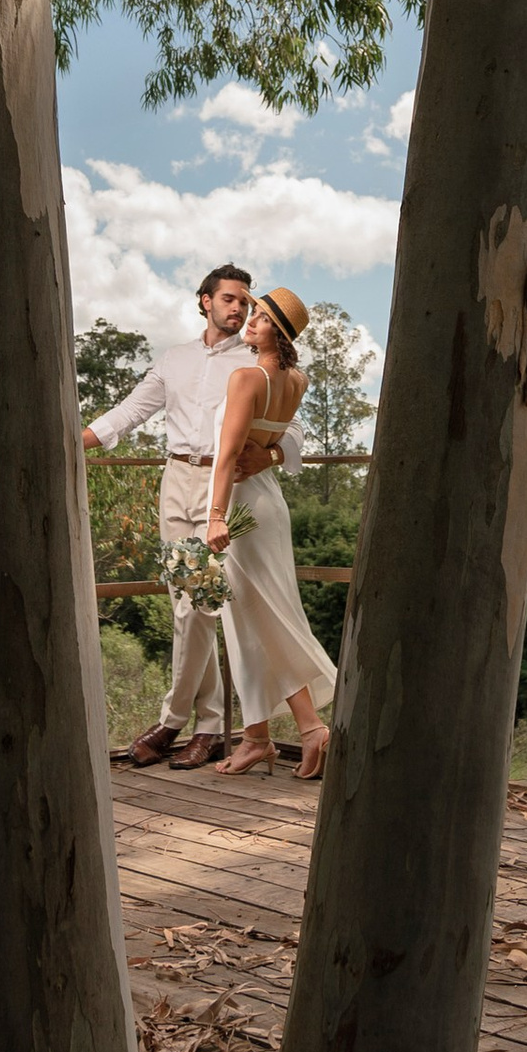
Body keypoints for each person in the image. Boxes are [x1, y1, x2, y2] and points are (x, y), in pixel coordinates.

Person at [82, 263, 301, 768]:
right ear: (205, 300)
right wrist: (74, 440)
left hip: (221, 489)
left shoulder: (256, 362)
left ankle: (174, 722)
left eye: (246, 302)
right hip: (175, 484)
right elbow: (129, 412)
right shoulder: (175, 360)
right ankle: (209, 726)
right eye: (229, 299)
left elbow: (293, 431)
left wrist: (267, 456)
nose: (239, 308)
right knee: (187, 601)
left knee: (197, 606)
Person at [204, 287, 336, 783]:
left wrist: (215, 517)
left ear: (276, 331)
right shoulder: (295, 379)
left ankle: (309, 728)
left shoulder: (246, 377)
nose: (250, 321)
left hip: (240, 505)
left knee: (263, 619)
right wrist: (274, 455)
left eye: (260, 316)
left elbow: (225, 456)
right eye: (253, 313)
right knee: (251, 619)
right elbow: (282, 438)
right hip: (269, 502)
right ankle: (257, 737)